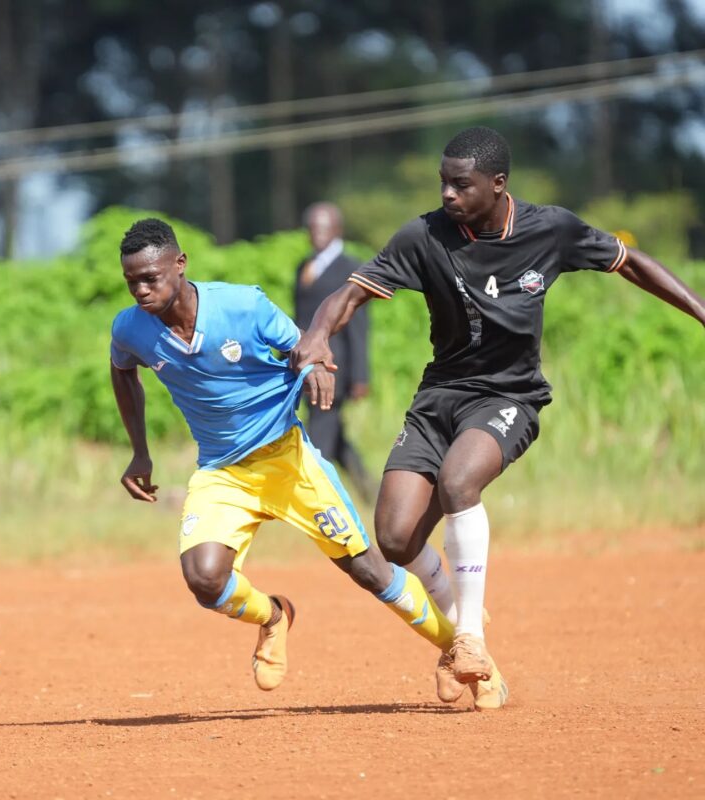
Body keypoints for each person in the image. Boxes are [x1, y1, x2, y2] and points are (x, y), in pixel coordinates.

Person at [290, 126, 705, 694]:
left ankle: (468, 641)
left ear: (498, 184)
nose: (447, 195)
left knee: (460, 482)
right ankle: (465, 625)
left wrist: (701, 312)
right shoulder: (424, 237)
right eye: (443, 183)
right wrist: (317, 334)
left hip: (510, 396)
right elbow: (351, 293)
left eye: (461, 185)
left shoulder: (550, 229)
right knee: (394, 538)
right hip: (439, 397)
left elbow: (632, 262)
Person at [109, 217, 507, 710]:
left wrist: (316, 366)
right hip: (223, 472)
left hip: (288, 459)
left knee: (369, 572)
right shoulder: (131, 328)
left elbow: (303, 343)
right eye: (132, 282)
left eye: (151, 277)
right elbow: (122, 370)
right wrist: (140, 450)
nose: (141, 290)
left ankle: (462, 651)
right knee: (204, 579)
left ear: (180, 263)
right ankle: (274, 616)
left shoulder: (241, 305)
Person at [294, 202, 374, 502]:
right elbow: (297, 317)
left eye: (324, 227)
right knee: (335, 438)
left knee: (319, 437)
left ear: (337, 230)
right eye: (313, 228)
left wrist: (360, 376)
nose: (317, 234)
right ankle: (370, 492)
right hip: (303, 365)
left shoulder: (350, 267)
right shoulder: (304, 266)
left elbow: (359, 325)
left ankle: (318, 502)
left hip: (334, 366)